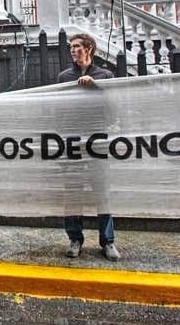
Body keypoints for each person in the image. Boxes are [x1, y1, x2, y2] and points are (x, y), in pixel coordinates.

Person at [57, 33, 120, 262]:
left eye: (76, 47)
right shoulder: (65, 76)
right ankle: (75, 238)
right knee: (73, 192)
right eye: (71, 47)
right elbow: (59, 107)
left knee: (102, 191)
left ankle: (108, 241)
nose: (73, 50)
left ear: (89, 49)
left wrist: (96, 88)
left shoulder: (105, 75)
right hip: (72, 139)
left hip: (97, 139)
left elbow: (113, 107)